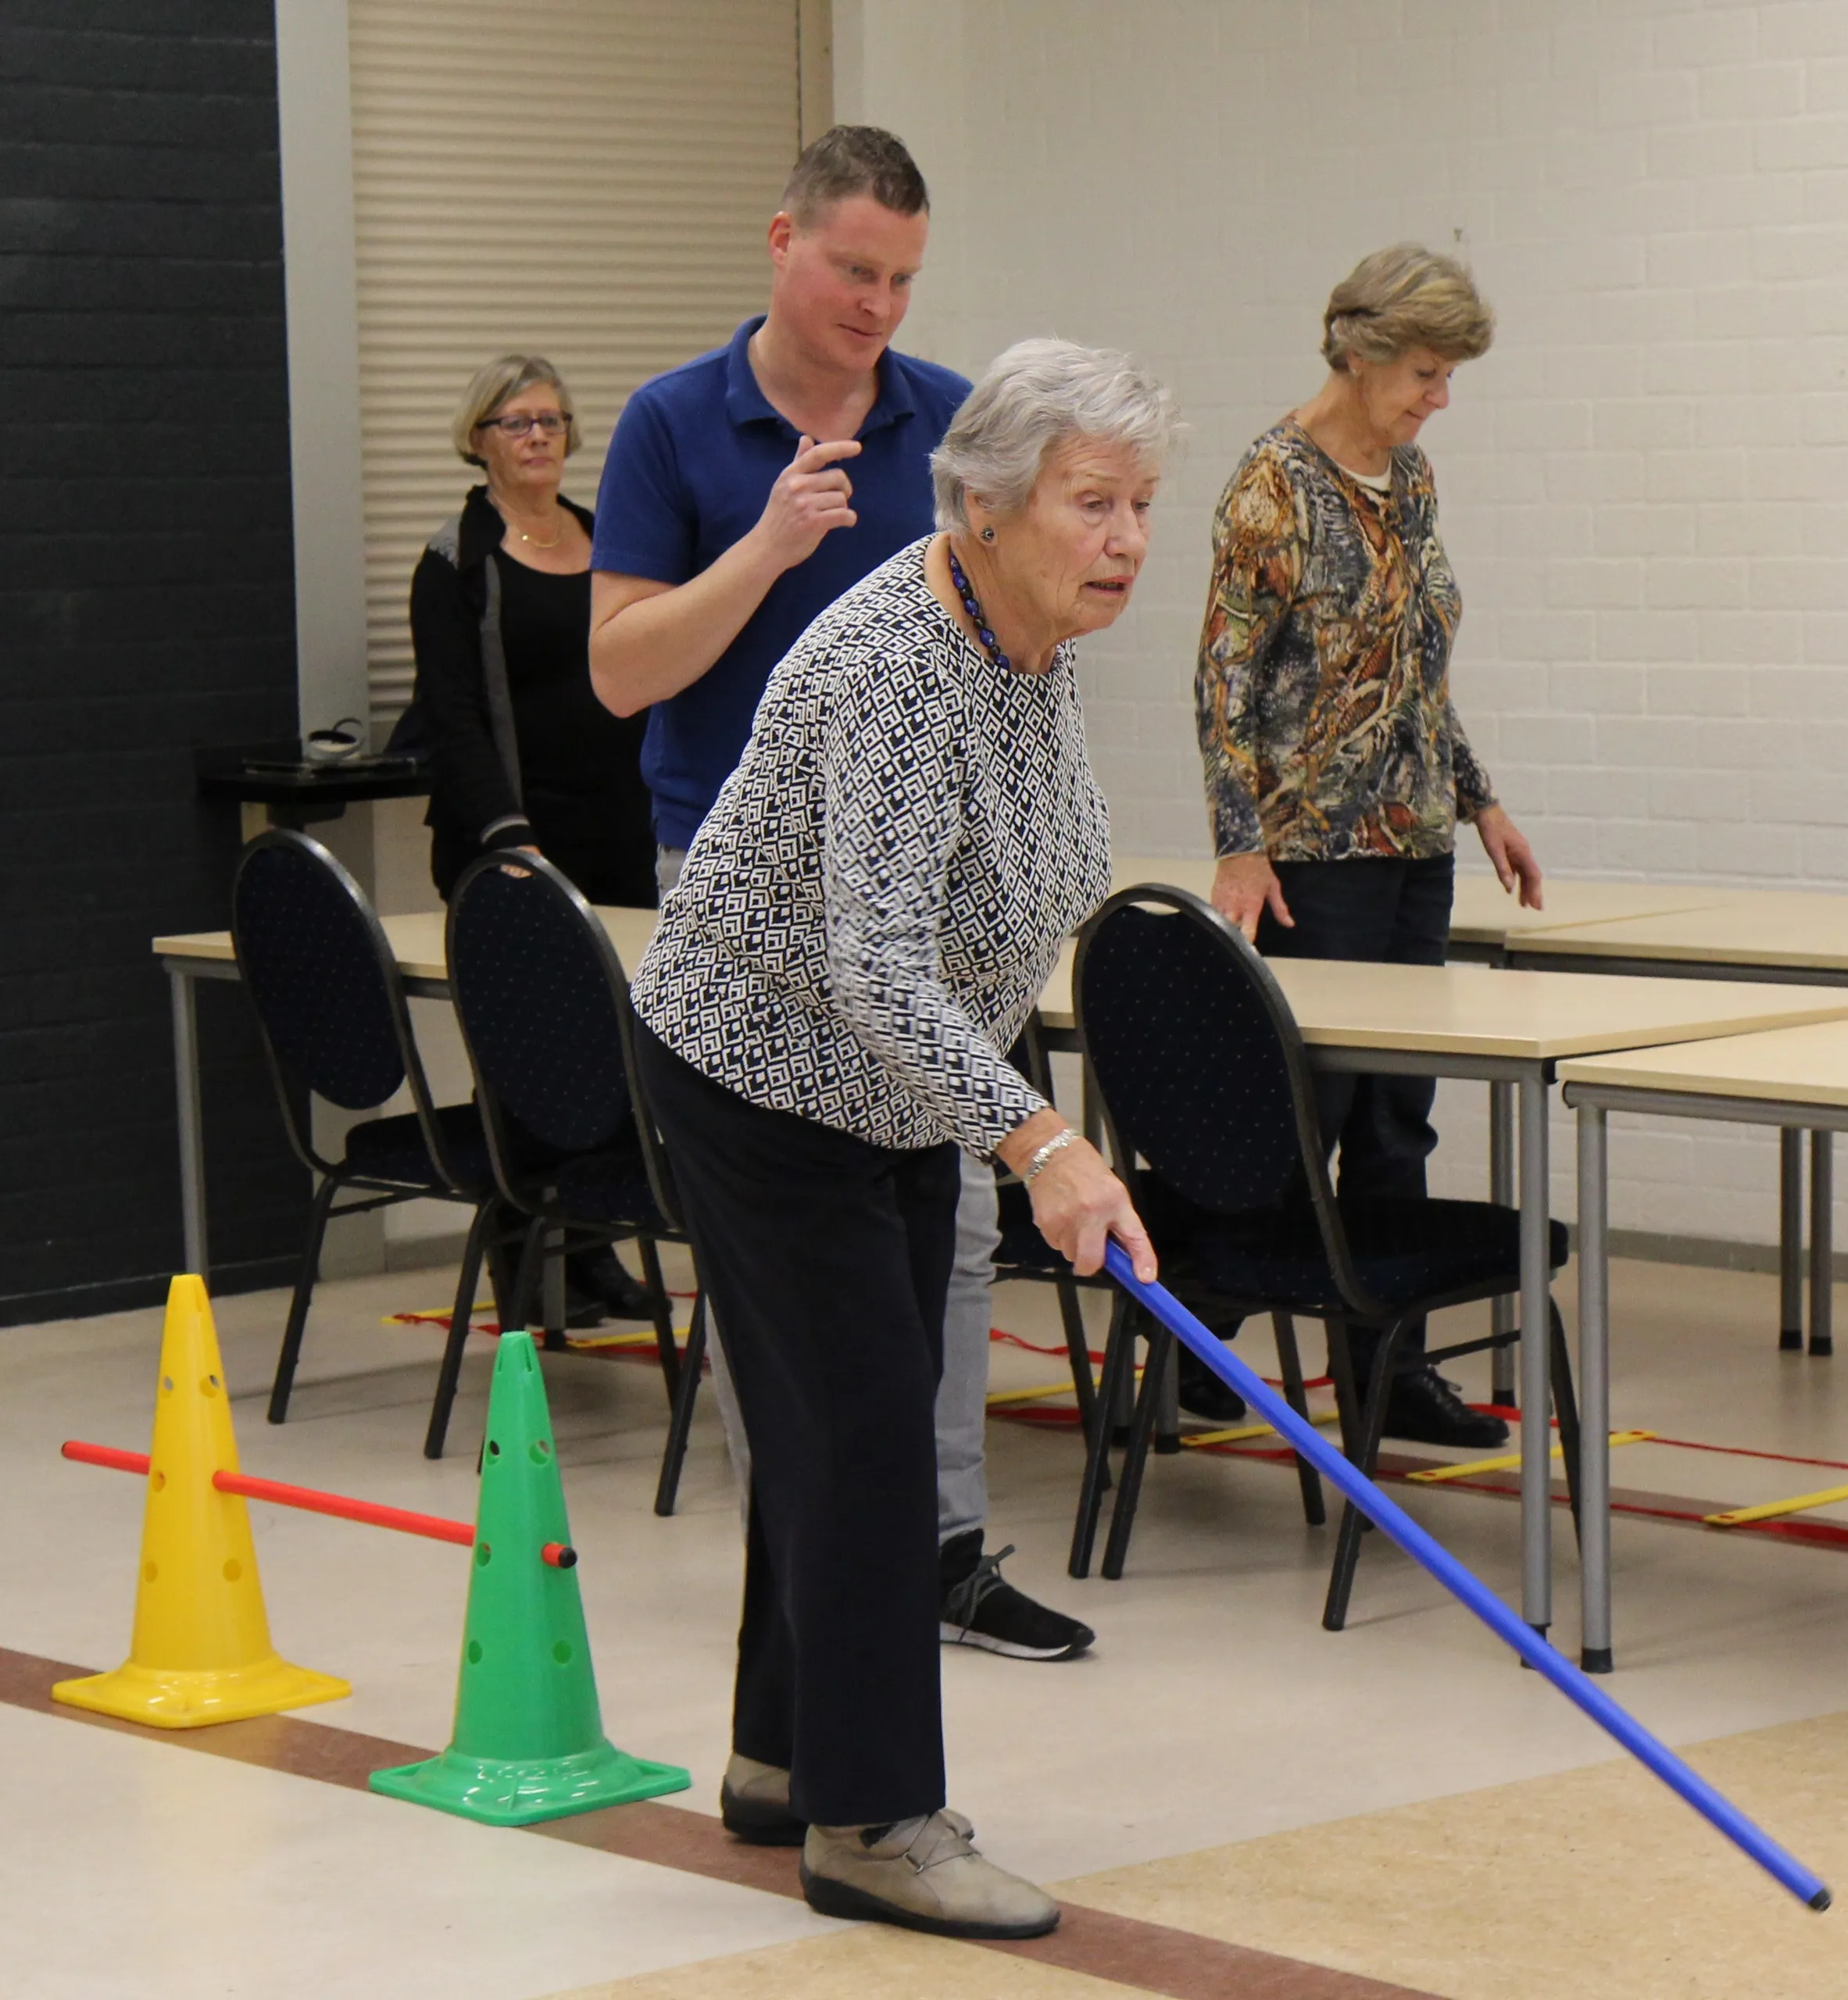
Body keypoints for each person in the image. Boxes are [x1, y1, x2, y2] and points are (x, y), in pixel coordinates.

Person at [629, 339, 1171, 1934]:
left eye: (1141, 501)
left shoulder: (1029, 638)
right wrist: (1039, 1141)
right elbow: (868, 958)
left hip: (893, 1083)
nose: (1128, 535)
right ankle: (874, 1818)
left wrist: (995, 1114)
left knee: (835, 1426)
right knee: (868, 1436)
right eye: (1093, 501)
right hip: (757, 1066)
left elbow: (988, 905)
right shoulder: (890, 664)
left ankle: (788, 1760)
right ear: (988, 505)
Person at [591, 127, 1087, 1658]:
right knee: (796, 1250)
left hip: (928, 901)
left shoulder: (952, 428)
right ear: (782, 242)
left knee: (945, 1225)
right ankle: (808, 1543)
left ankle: (934, 1542)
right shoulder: (677, 423)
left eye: (903, 278)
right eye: (854, 269)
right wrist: (763, 547)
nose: (878, 304)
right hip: (746, 898)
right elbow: (620, 674)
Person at [1194, 244, 1540, 1448]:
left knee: (1398, 1120)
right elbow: (1223, 683)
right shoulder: (1270, 485)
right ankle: (1215, 1323)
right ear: (1359, 351)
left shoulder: (1410, 477)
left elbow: (1415, 672)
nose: (1436, 397)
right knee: (1311, 1115)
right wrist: (1239, 848)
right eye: (1425, 373)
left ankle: (1384, 1375)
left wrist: (1479, 799)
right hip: (1312, 853)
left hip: (1410, 842)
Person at [410, 353, 661, 1327]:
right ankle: (520, 1267)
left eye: (553, 421)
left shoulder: (605, 540)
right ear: (479, 440)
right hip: (509, 842)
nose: (540, 438)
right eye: (518, 423)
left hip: (616, 830)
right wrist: (508, 834)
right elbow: (455, 717)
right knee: (524, 1062)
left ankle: (592, 1254)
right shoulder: (455, 561)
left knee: (614, 1057)